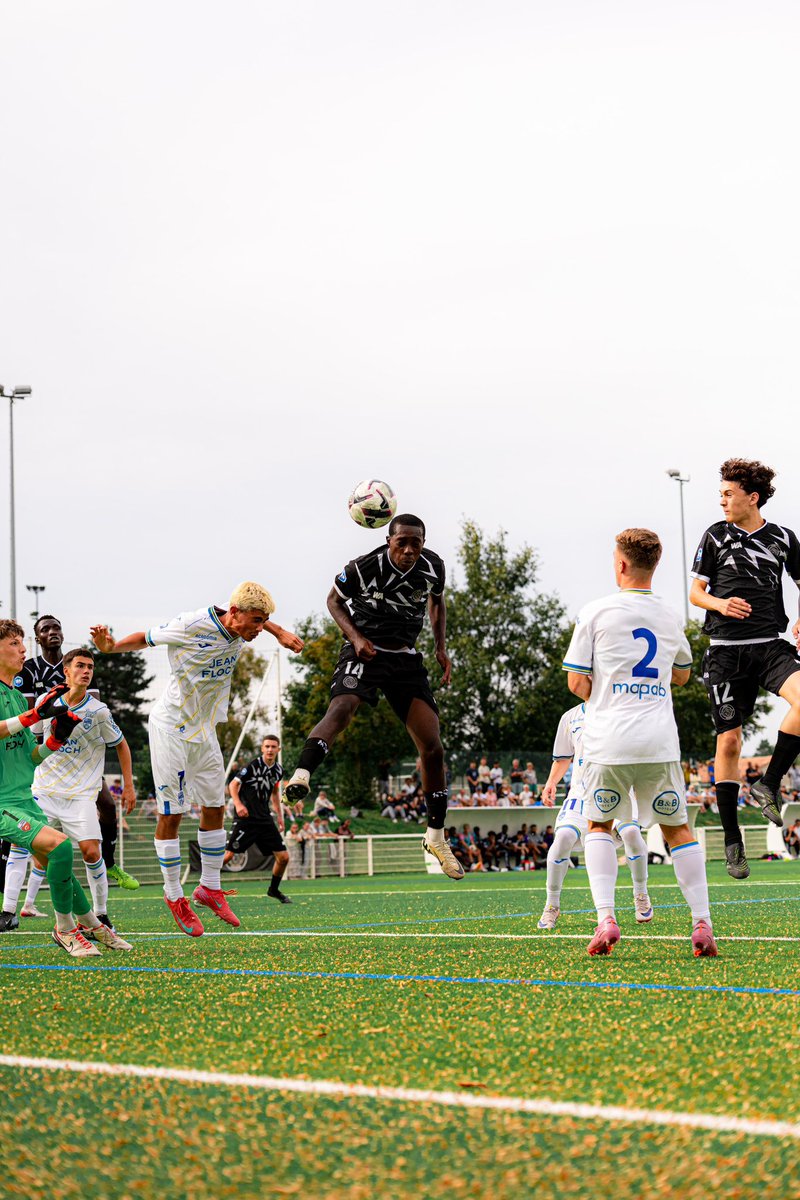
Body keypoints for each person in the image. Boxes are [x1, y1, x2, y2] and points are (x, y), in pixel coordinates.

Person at [90, 583, 303, 935]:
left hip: (204, 730)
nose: (259, 628)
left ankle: (209, 888)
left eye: (264, 621)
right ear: (234, 613)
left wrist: (278, 631)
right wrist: (110, 648)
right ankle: (174, 895)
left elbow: (261, 620)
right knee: (171, 813)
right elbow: (145, 637)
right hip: (171, 727)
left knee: (215, 807)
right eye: (256, 621)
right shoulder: (191, 625)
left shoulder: (237, 614)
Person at [283, 514, 462, 879]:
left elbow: (437, 603)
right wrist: (355, 638)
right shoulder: (365, 567)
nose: (410, 550)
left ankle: (435, 836)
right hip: (365, 650)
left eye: (417, 542)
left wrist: (441, 646)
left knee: (433, 747)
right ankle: (302, 774)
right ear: (388, 540)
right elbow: (334, 601)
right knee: (343, 708)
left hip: (405, 659)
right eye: (403, 543)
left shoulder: (433, 566)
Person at [564, 528, 716, 958]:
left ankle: (607, 919)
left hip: (606, 741)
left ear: (622, 564)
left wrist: (611, 688)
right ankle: (702, 923)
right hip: (658, 742)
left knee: (599, 826)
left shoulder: (594, 612)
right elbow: (684, 674)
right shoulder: (669, 616)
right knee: (677, 830)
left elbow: (577, 680)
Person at [690, 459, 800, 879]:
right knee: (730, 743)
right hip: (725, 653)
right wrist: (721, 603)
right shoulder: (715, 536)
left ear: (751, 497)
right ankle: (733, 841)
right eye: (720, 493)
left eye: (728, 493)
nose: (722, 500)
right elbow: (696, 593)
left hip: (770, 647)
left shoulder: (784, 538)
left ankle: (768, 784)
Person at [0, 620, 130, 954]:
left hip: (24, 799)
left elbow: (31, 755)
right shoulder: (22, 703)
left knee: (61, 863)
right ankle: (65, 929)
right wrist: (33, 716)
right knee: (60, 848)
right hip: (3, 803)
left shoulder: (15, 695)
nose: (24, 649)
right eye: (15, 643)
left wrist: (56, 739)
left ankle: (96, 926)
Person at [17, 614, 139, 892]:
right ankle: (13, 900)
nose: (52, 632)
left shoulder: (81, 668)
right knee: (24, 831)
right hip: (46, 756)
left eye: (56, 627)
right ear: (37, 638)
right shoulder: (30, 669)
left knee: (107, 805)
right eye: (45, 629)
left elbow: (89, 711)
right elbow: (30, 718)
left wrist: (128, 784)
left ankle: (109, 864)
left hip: (81, 759)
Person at [537, 702, 651, 931]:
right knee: (562, 839)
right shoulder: (570, 717)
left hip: (619, 791)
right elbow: (562, 758)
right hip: (580, 795)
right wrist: (551, 783)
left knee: (630, 831)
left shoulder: (623, 708)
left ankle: (640, 892)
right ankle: (552, 904)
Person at [222, 733, 292, 904]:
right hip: (246, 819)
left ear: (278, 749)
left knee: (283, 857)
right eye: (266, 746)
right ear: (262, 748)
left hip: (265, 819)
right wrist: (238, 805)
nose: (269, 749)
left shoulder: (278, 771)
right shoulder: (252, 766)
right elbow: (233, 784)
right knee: (228, 856)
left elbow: (275, 793)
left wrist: (280, 817)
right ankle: (203, 889)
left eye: (273, 747)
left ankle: (273, 890)